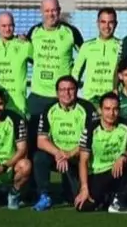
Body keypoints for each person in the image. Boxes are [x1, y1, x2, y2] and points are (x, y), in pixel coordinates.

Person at [74, 92, 127, 213]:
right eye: (107, 109)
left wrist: (123, 156)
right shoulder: (90, 129)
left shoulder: (126, 124)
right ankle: (110, 199)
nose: (111, 113)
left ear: (119, 110)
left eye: (115, 109)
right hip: (98, 174)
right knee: (83, 206)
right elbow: (83, 161)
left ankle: (120, 199)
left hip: (119, 171)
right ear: (100, 110)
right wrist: (84, 188)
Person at [32, 76, 98, 211]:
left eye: (70, 89)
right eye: (62, 90)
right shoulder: (49, 109)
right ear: (57, 93)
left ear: (76, 90)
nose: (66, 93)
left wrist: (70, 153)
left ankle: (69, 190)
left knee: (76, 199)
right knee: (39, 157)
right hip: (58, 156)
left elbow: (92, 141)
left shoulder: (87, 108)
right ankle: (44, 195)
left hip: (79, 156)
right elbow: (41, 141)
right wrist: (58, 153)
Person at [25, 0, 84, 137]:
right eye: (47, 11)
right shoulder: (34, 32)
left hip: (62, 97)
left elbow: (85, 55)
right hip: (38, 95)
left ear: (59, 11)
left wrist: (73, 79)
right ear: (41, 11)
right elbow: (29, 57)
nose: (50, 14)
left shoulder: (71, 32)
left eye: (54, 10)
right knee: (33, 138)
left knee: (62, 136)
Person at [0, 12, 33, 116]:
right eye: (4, 26)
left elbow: (39, 63)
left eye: (10, 25)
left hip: (18, 105)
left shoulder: (25, 45)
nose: (7, 29)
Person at [74, 8, 122, 103]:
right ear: (97, 23)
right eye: (103, 22)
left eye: (110, 22)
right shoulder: (87, 46)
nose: (107, 26)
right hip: (90, 100)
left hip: (112, 100)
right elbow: (75, 73)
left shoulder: (121, 46)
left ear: (116, 24)